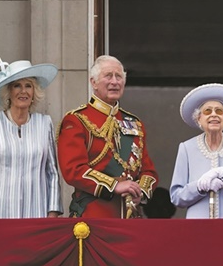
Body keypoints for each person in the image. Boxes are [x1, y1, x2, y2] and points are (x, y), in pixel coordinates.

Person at [57, 55, 158, 218]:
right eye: (108, 76)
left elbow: (149, 172)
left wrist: (141, 192)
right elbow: (73, 170)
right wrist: (114, 186)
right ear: (93, 82)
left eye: (119, 76)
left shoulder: (134, 123)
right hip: (93, 215)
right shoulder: (77, 120)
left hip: (130, 216)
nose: (114, 81)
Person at [0, 59, 63, 218]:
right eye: (17, 85)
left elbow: (52, 173)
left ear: (34, 91)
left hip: (36, 212)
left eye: (28, 86)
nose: (23, 91)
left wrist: (53, 211)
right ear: (8, 92)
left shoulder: (45, 124)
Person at [170, 83, 223, 218]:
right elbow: (176, 197)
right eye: (207, 111)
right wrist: (199, 187)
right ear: (198, 119)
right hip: (198, 227)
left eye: (219, 111)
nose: (214, 115)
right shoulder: (187, 148)